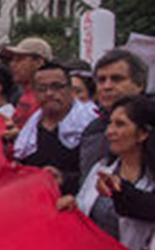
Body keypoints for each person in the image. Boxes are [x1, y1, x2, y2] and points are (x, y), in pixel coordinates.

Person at [61, 95, 155, 250]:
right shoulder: (101, 168)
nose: (109, 132)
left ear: (143, 134)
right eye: (110, 123)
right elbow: (84, 213)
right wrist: (72, 206)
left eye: (120, 124)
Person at [15, 63, 98, 195]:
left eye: (57, 87)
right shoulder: (29, 131)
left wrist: (65, 178)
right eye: (42, 88)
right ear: (35, 93)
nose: (49, 93)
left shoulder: (91, 125)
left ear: (71, 90)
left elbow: (97, 175)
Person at [80, 49, 148, 182]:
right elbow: (86, 178)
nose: (107, 86)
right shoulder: (93, 129)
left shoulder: (150, 124)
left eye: (116, 79)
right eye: (101, 80)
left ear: (139, 85)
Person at [0, 37, 52, 127]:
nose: (12, 64)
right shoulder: (25, 93)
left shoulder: (48, 97)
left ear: (39, 62)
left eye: (19, 60)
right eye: (12, 60)